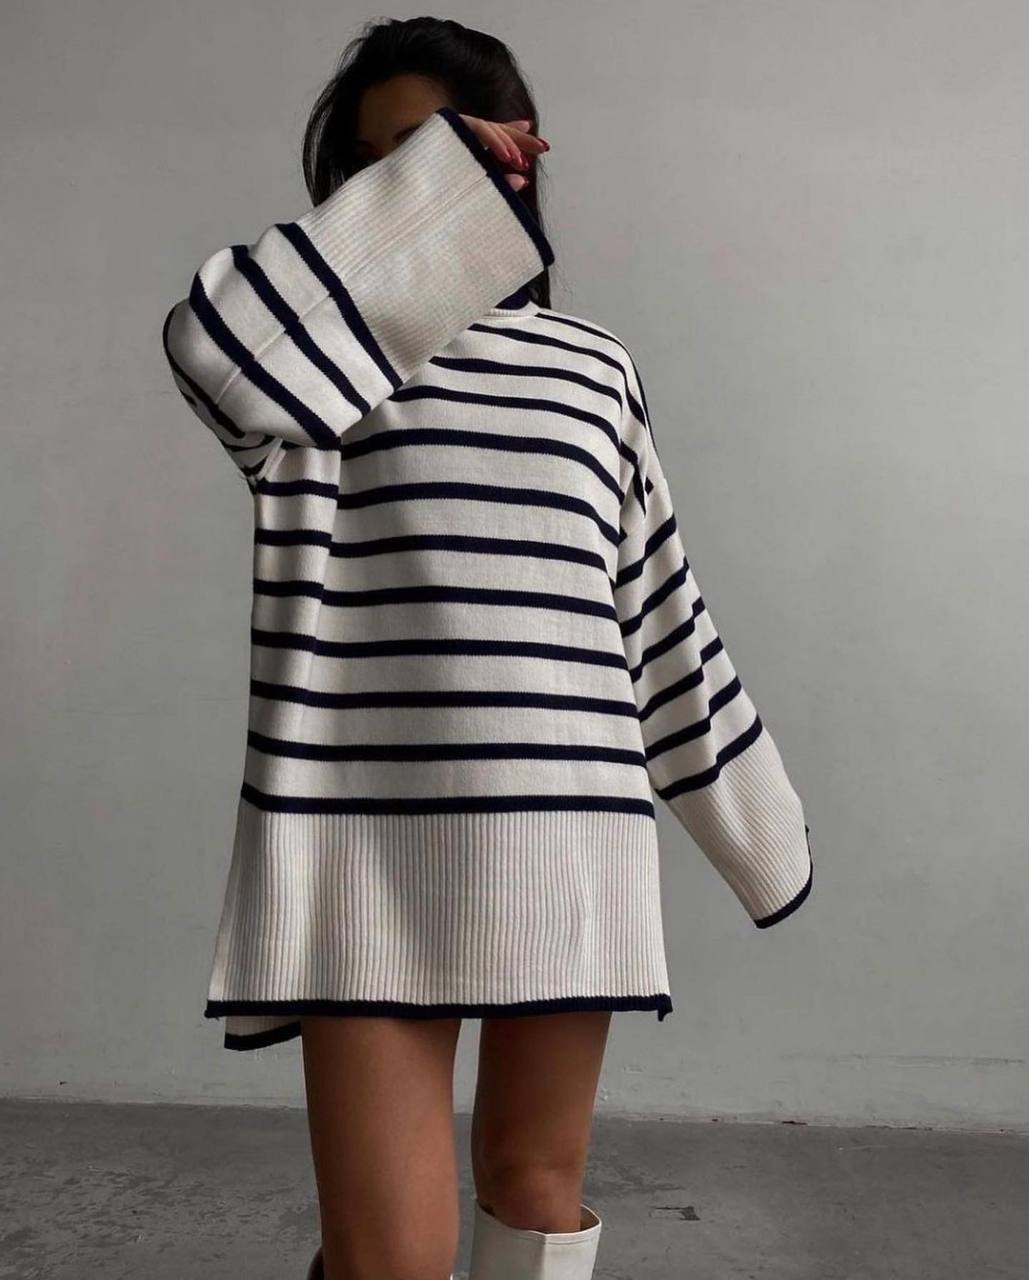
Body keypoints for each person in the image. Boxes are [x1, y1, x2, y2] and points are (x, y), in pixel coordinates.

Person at [160, 16, 813, 1280]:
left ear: (515, 159)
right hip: (361, 847)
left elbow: (657, 611)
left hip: (570, 835)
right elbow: (205, 339)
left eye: (441, 149)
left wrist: (759, 827)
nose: (414, 180)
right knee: (391, 1259)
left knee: (535, 1192)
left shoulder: (593, 369)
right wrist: (434, 182)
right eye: (382, 165)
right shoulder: (300, 377)